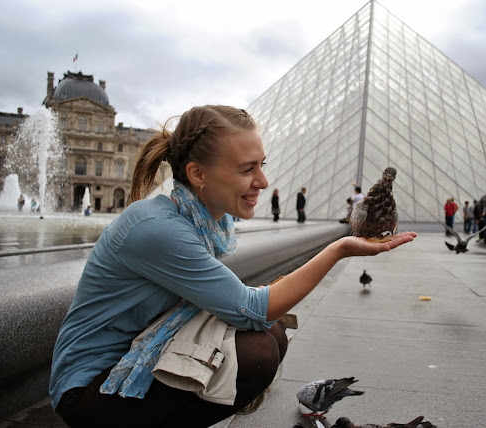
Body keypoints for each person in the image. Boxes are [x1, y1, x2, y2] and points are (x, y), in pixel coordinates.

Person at [48, 105, 418, 428]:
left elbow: (244, 307)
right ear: (198, 174)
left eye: (262, 165)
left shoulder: (196, 219)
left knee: (273, 334)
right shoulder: (158, 228)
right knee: (257, 353)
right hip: (91, 390)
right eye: (246, 169)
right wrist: (338, 249)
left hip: (135, 354)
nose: (263, 181)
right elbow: (251, 309)